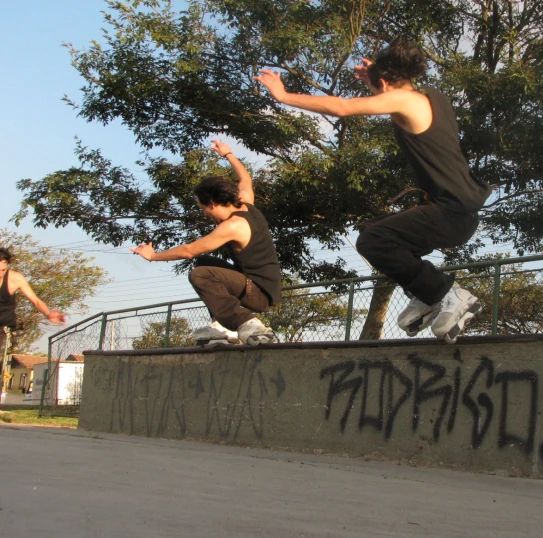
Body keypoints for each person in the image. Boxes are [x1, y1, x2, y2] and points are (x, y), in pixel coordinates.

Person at [254, 40, 490, 343]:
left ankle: (447, 294)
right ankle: (427, 292)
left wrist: (283, 95)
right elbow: (391, 94)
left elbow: (342, 107)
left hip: (452, 211)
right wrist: (375, 79)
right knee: (382, 234)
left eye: (376, 89)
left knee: (373, 240)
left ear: (384, 83)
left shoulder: (405, 100)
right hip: (457, 209)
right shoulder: (433, 97)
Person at [130, 141, 282, 345]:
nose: (204, 213)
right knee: (205, 262)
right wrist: (228, 154)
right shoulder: (246, 203)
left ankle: (249, 325)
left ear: (212, 204)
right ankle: (221, 325)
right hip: (258, 286)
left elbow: (188, 251)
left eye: (203, 208)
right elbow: (245, 179)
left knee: (200, 274)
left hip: (259, 294)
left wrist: (153, 256)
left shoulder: (232, 226)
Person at [0, 247, 67, 330]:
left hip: (5, 329)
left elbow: (36, 301)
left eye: (3, 270)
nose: (1, 274)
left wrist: (48, 314)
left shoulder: (15, 278)